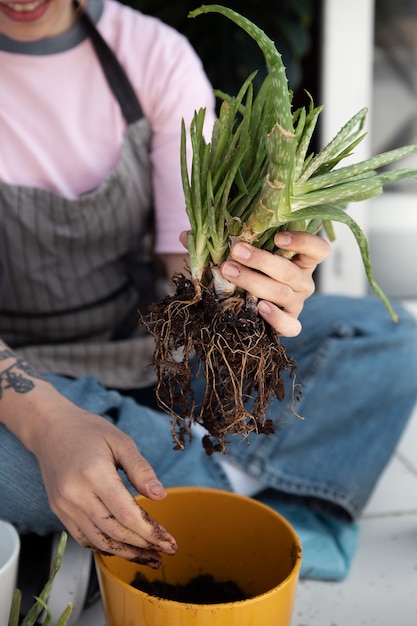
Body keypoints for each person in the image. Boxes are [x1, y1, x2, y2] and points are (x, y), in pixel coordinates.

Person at [1, 0, 417, 586]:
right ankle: (226, 486)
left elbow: (189, 268)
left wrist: (257, 284)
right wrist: (46, 423)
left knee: (386, 336)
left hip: (146, 350)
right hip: (15, 382)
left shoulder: (147, 52)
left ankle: (162, 488)